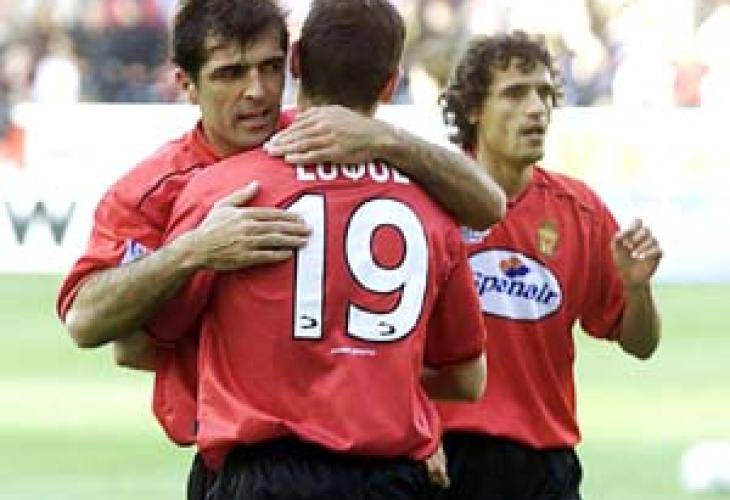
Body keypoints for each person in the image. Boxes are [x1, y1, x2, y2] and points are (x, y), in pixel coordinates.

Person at [55, 0, 505, 497]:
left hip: (290, 459)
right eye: (230, 73)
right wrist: (191, 252)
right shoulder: (154, 189)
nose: (257, 91)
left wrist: (388, 138)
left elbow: (489, 205)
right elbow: (93, 325)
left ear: (293, 63)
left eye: (269, 67)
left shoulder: (334, 136)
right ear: (186, 84)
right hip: (247, 448)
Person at [434, 31, 663, 500]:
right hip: (445, 456)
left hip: (545, 466)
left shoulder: (581, 211)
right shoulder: (430, 200)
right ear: (473, 108)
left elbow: (642, 344)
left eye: (544, 93)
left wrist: (637, 289)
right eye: (515, 94)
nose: (536, 109)